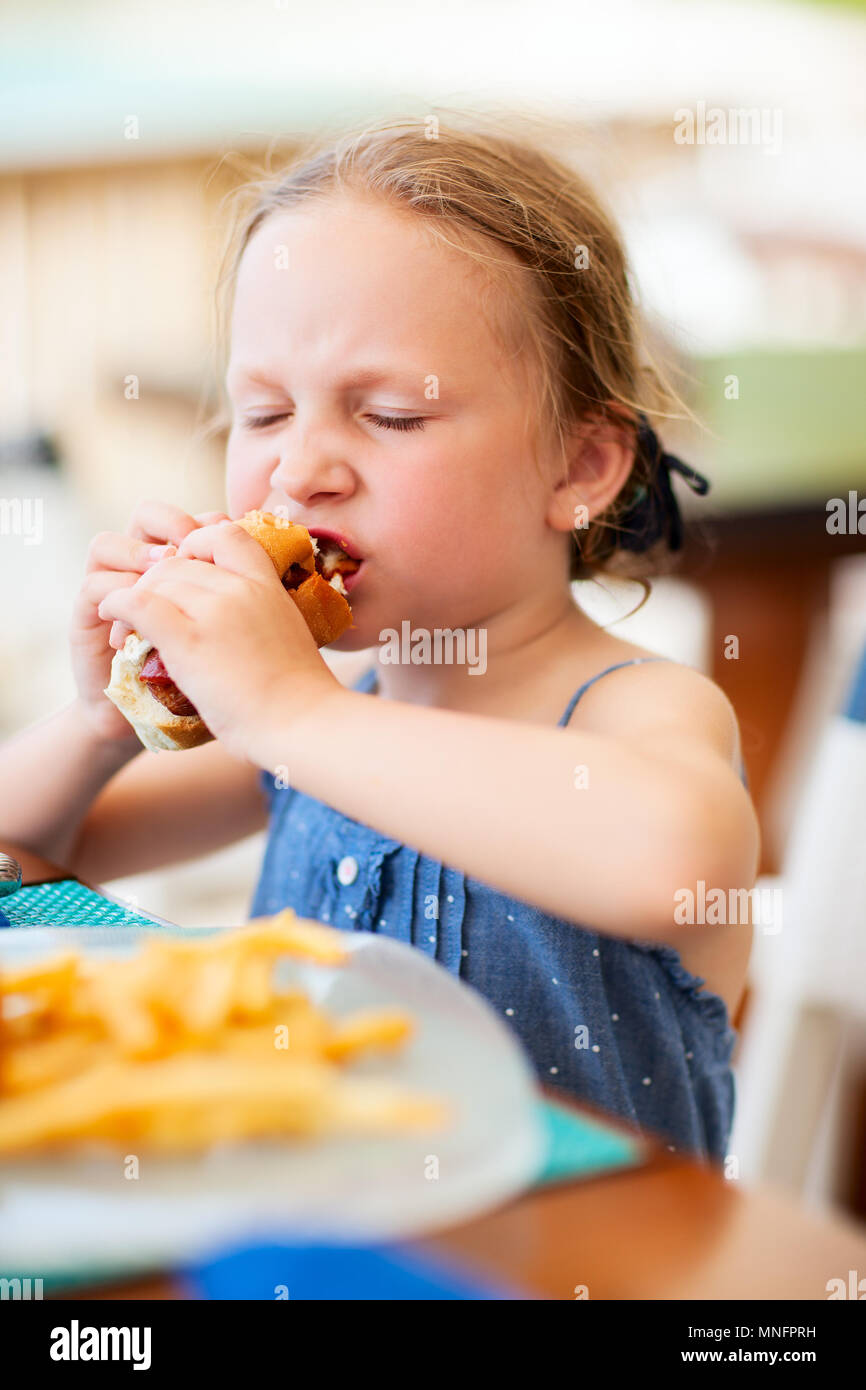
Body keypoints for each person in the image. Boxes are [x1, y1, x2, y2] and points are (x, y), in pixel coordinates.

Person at [0, 116, 759, 1162]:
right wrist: (103, 723)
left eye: (392, 415)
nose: (298, 469)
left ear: (580, 468)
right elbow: (31, 851)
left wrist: (284, 710)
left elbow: (673, 861)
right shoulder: (334, 705)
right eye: (262, 413)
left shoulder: (633, 708)